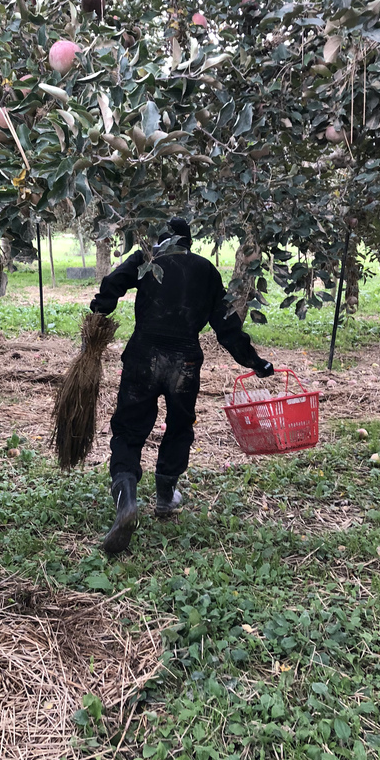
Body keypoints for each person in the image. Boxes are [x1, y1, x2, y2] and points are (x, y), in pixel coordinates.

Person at [90, 217, 274, 554]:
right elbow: (226, 325)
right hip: (185, 364)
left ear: (160, 241)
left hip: (144, 356)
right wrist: (254, 361)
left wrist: (101, 309)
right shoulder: (205, 270)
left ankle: (127, 499)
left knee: (129, 430)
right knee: (178, 427)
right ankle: (164, 497)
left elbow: (113, 282)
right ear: (188, 242)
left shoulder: (146, 259)